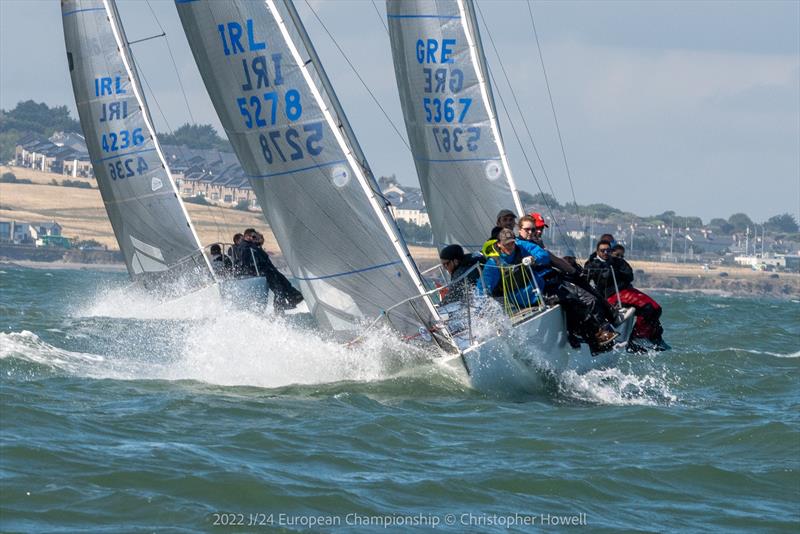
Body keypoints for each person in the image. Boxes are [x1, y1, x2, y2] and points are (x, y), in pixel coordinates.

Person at [481, 229, 617, 353]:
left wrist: (534, 258)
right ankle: (586, 337)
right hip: (521, 304)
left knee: (572, 300)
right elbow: (482, 289)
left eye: (511, 243)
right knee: (570, 301)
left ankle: (594, 337)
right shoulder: (493, 264)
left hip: (541, 293)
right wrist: (480, 313)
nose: (510, 247)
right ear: (498, 244)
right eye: (506, 244)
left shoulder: (522, 246)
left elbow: (543, 255)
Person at [605, 243, 667, 350]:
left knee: (656, 308)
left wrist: (619, 262)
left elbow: (629, 275)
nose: (619, 258)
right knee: (648, 308)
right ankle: (636, 338)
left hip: (626, 291)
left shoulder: (620, 263)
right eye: (617, 255)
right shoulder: (604, 263)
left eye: (622, 256)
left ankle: (653, 337)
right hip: (614, 295)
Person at [235, 228, 304, 311]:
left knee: (282, 279)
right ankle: (280, 306)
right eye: (252, 236)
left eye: (254, 236)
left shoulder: (252, 246)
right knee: (278, 288)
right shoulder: (245, 246)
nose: (253, 238)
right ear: (246, 236)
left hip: (266, 269)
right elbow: (247, 262)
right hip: (261, 271)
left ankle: (293, 296)